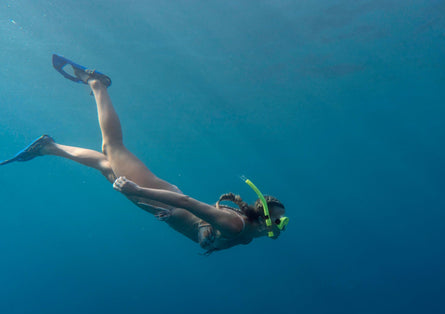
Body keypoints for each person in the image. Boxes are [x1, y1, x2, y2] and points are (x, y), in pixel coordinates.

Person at [1, 55, 288, 254]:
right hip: (156, 196)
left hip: (159, 204)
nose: (281, 226)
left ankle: (48, 147)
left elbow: (206, 232)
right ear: (264, 218)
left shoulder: (248, 237)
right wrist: (139, 189)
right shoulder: (235, 225)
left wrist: (203, 237)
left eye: (281, 222)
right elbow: (187, 202)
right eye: (279, 221)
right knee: (113, 146)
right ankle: (96, 82)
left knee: (105, 163)